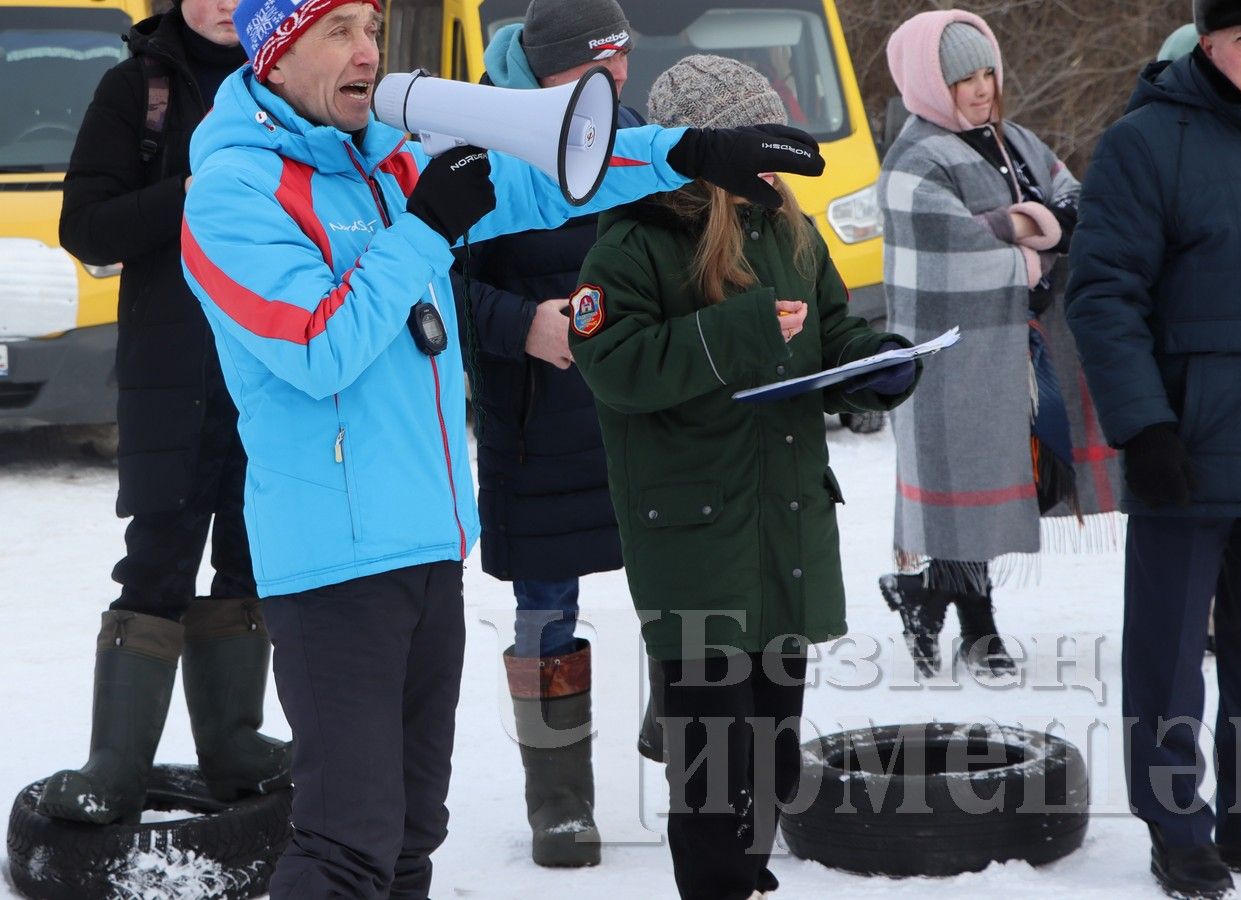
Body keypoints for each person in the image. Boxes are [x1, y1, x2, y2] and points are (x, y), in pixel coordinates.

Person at [180, 0, 825, 894]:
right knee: (346, 838)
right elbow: (314, 349)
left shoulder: (383, 160)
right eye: (337, 32)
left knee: (411, 831)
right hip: (331, 559)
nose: (368, 51)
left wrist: (684, 153)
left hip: (425, 539)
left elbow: (549, 178)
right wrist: (425, 229)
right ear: (275, 57)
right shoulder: (232, 191)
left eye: (371, 27)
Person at [569, 54, 918, 900]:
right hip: (695, 537)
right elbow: (611, 366)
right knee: (711, 761)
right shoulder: (632, 239)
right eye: (754, 148)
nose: (771, 166)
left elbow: (833, 330)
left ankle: (746, 875)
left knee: (769, 743)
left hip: (785, 522)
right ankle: (716, 882)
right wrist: (740, 330)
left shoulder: (787, 228)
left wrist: (877, 364)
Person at [1066, 0, 1241, 895]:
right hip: (1186, 450)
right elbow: (1103, 296)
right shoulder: (1146, 143)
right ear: (1209, 42)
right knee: (1167, 659)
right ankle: (1176, 829)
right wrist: (1144, 427)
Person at [39, 0, 290, 826]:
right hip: (172, 373)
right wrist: (192, 190)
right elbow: (87, 228)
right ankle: (116, 766)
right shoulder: (135, 89)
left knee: (254, 562)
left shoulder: (293, 82)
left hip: (275, 368)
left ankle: (236, 747)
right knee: (157, 560)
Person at [876, 9, 1118, 682]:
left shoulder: (1012, 139)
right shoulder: (913, 159)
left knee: (1019, 475)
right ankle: (978, 629)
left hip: (1022, 345)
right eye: (960, 78)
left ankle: (924, 596)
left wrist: (1021, 224)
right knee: (972, 481)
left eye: (986, 73)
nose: (980, 89)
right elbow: (952, 250)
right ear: (926, 82)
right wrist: (1031, 239)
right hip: (951, 353)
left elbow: (1074, 205)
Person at [458, 0, 635, 868]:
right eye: (592, 65)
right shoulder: (478, 143)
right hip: (535, 420)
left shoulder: (641, 135)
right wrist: (521, 322)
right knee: (545, 610)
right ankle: (558, 803)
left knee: (686, 588)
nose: (613, 81)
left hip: (646, 415)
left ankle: (696, 749)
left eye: (620, 59)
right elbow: (428, 283)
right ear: (545, 68)